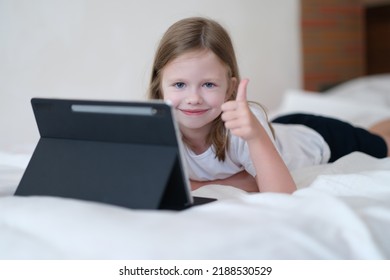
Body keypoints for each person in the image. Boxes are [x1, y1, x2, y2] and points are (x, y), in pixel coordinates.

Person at [148, 17, 390, 194]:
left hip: (316, 138)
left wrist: (253, 137)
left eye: (208, 85)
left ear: (231, 88)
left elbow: (281, 195)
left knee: (381, 141)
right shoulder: (156, 130)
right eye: (179, 84)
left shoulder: (243, 127)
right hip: (279, 130)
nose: (193, 98)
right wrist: (241, 180)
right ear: (159, 86)